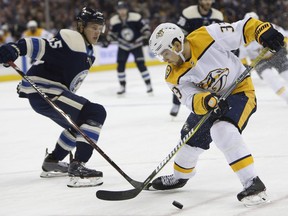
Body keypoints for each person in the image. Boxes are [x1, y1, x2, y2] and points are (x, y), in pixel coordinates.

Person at [148, 15, 284, 206]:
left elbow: (241, 28)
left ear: (176, 45)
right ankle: (179, 177)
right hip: (211, 100)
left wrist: (262, 31)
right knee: (189, 138)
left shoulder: (206, 35)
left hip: (240, 91)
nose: (163, 59)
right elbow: (188, 97)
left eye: (164, 53)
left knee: (222, 130)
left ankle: (253, 183)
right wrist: (205, 101)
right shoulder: (172, 75)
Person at [0, 7, 107, 188]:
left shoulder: (88, 52)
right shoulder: (72, 39)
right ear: (81, 27)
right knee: (95, 112)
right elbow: (42, 46)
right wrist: (15, 49)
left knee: (79, 126)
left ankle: (53, 162)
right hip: (46, 90)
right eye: (93, 27)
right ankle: (78, 167)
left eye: (100, 28)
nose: (97, 32)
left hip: (47, 93)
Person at [170, 0, 224, 117]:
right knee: (180, 78)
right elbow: (178, 32)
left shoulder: (218, 15)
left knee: (210, 80)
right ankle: (176, 102)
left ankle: (209, 103)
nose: (207, 2)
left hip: (209, 54)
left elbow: (221, 35)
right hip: (189, 54)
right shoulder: (188, 13)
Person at [105, 1, 153, 95]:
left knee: (141, 65)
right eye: (120, 9)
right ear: (117, 10)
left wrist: (145, 37)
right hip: (123, 45)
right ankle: (122, 86)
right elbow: (112, 33)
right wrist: (108, 39)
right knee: (120, 66)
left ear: (127, 9)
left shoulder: (136, 17)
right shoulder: (114, 20)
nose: (122, 11)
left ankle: (149, 85)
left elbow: (145, 29)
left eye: (123, 8)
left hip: (136, 44)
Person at [239, 12, 288, 104]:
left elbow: (285, 35)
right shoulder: (242, 39)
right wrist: (244, 66)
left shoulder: (269, 27)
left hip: (275, 55)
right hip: (259, 61)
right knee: (269, 77)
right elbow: (242, 57)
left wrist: (284, 44)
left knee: (286, 74)